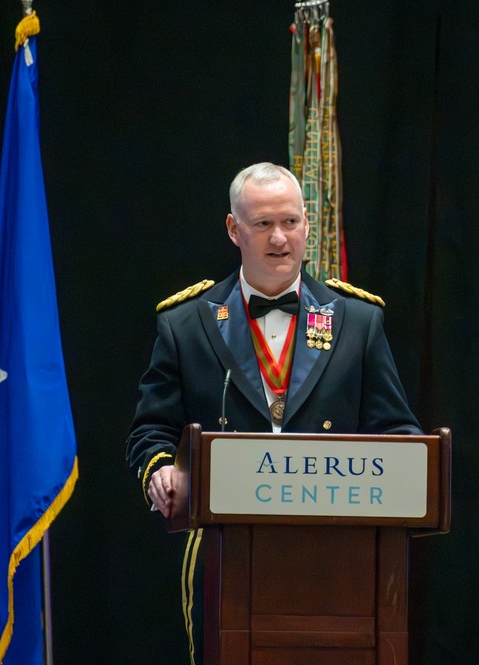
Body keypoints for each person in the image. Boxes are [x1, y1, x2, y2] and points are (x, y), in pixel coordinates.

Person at [125, 162, 420, 665]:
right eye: (262, 224)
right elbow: (151, 429)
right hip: (227, 554)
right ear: (233, 230)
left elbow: (399, 432)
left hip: (336, 558)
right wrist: (161, 470)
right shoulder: (187, 323)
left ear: (308, 225)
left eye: (289, 222)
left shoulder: (357, 321)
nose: (279, 239)